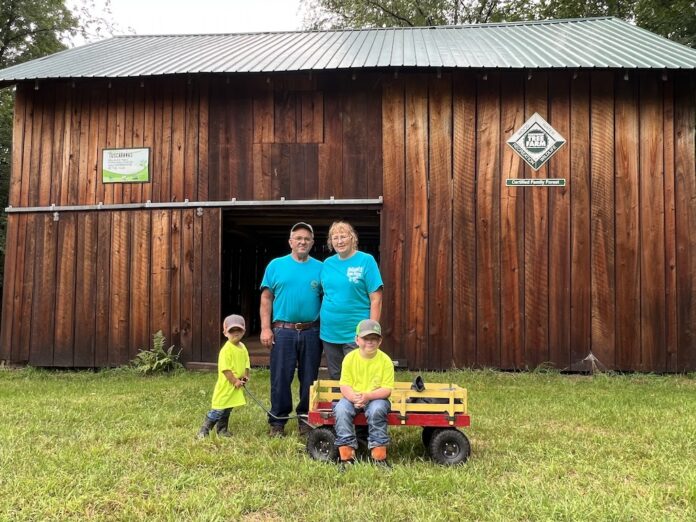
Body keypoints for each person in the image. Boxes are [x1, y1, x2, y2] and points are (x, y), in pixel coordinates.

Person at [260, 222, 323, 437]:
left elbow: (330, 298)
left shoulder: (321, 268)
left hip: (311, 331)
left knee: (310, 379)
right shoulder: (276, 265)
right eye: (298, 238)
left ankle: (306, 419)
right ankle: (277, 422)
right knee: (280, 377)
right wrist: (265, 328)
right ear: (290, 242)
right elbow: (266, 298)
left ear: (312, 243)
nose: (302, 242)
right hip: (283, 330)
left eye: (307, 238)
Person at [320, 221, 383, 380]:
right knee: (336, 376)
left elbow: (376, 299)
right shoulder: (327, 264)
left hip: (356, 331)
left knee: (358, 376)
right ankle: (339, 405)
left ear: (352, 238)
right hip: (329, 330)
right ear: (331, 241)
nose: (339, 241)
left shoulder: (366, 261)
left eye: (343, 236)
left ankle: (361, 405)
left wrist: (371, 331)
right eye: (335, 238)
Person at [333, 319, 394, 467]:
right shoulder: (350, 358)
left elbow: (387, 389)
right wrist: (353, 397)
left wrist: (368, 396)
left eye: (374, 339)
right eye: (366, 338)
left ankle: (379, 456)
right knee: (341, 409)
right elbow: (345, 385)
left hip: (376, 398)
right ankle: (347, 456)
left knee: (377, 410)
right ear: (357, 339)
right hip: (353, 397)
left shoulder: (385, 360)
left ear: (380, 341)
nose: (370, 342)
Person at [196, 314, 250, 439]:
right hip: (226, 387)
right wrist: (235, 380)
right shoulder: (226, 350)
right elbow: (226, 370)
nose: (235, 333)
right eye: (232, 330)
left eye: (239, 330)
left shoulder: (243, 347)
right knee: (218, 410)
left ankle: (222, 430)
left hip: (235, 387)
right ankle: (204, 431)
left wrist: (246, 376)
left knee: (227, 410)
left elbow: (246, 362)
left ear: (244, 331)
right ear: (225, 332)